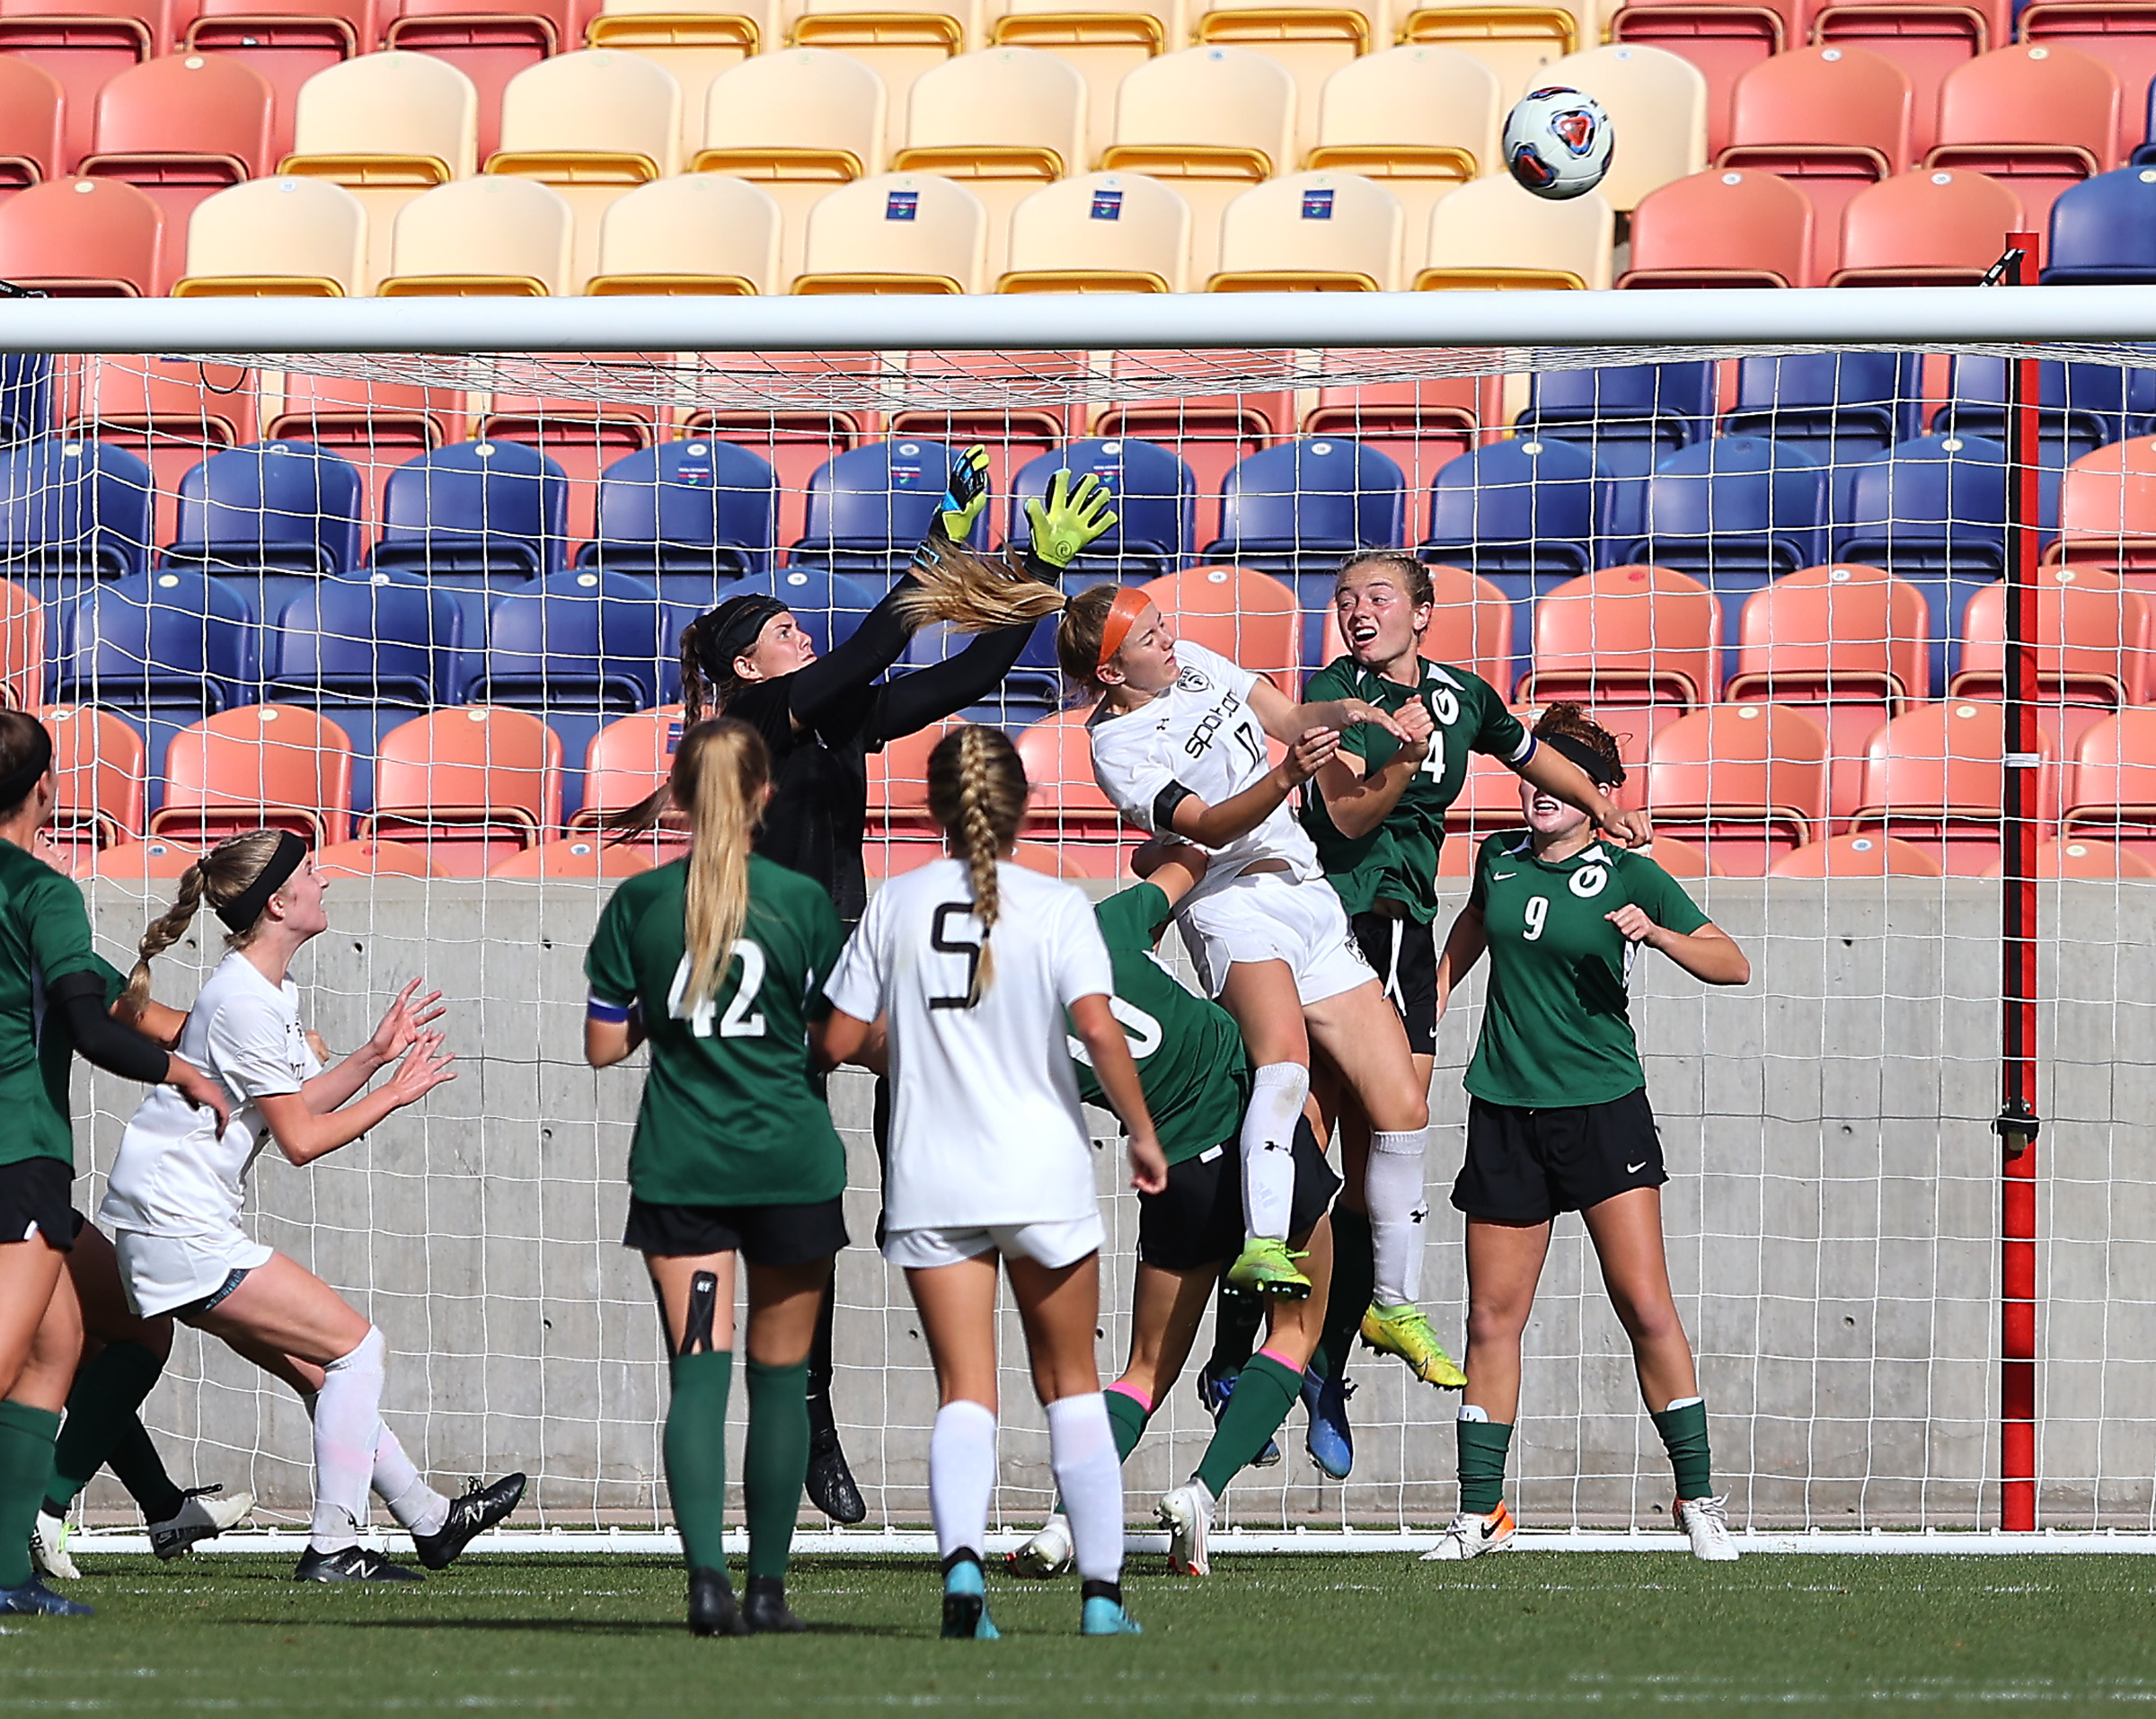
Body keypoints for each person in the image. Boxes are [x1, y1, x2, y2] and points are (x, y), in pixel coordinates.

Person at [612, 450, 1117, 1525]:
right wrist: (956, 554)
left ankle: (927, 1186)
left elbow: (964, 680)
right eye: (785, 632)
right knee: (807, 1206)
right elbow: (879, 643)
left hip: (841, 954)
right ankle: (817, 1422)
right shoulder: (749, 725)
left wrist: (1034, 575)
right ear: (750, 667)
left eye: (800, 630)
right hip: (767, 968)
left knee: (890, 1114)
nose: (803, 637)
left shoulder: (828, 718)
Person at [893, 553, 1471, 1386]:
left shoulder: (1194, 662)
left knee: (1403, 1105)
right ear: (1110, 670)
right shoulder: (1116, 749)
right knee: (1283, 1062)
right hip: (1230, 901)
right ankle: (1264, 1245)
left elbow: (1283, 709)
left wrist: (1349, 712)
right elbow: (1209, 824)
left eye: (1165, 626)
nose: (1172, 640)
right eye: (1152, 637)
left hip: (1302, 887)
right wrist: (1287, 775)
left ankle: (1391, 1301)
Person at [1212, 550, 1654, 1479]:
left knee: (1386, 1157)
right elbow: (1350, 819)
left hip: (1406, 934)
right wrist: (1403, 749)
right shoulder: (1334, 694)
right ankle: (1239, 1349)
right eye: (1342, 599)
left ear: (1423, 614)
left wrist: (1605, 811)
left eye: (1376, 596)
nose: (1356, 611)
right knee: (1307, 1142)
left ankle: (1329, 1366)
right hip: (1326, 926)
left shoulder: (1464, 695)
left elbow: (1531, 753)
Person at [101, 830, 526, 1583]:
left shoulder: (266, 992)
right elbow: (299, 1138)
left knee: (322, 1373)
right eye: (309, 871)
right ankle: (336, 1547)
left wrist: (370, 1057)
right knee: (359, 1349)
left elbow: (294, 1100)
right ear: (278, 901)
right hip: (177, 1225)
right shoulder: (242, 1000)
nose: (323, 879)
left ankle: (430, 1522)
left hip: (169, 1222)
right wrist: (392, 1095)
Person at [822, 725, 1164, 1640]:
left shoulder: (894, 903)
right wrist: (1141, 1131)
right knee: (1072, 1385)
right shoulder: (1058, 905)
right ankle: (1101, 1598)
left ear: (933, 808)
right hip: (1042, 1174)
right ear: (1026, 807)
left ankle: (965, 1583)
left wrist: (919, 1046)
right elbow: (1098, 1030)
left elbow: (837, 1040)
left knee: (965, 1390)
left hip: (933, 1174)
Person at [1426, 705, 1749, 1563]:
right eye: (1535, 774)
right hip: (1504, 1110)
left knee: (1645, 1306)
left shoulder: (1630, 874)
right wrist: (1433, 998)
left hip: (1604, 1111)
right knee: (1491, 1320)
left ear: (1602, 796)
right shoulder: (1496, 859)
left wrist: (1661, 935)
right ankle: (1480, 1514)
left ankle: (1698, 1502)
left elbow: (1731, 961)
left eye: (1562, 778)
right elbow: (1467, 931)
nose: (1539, 789)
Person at [585, 717, 850, 1637]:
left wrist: (668, 1014)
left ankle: (707, 1584)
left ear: (681, 801)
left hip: (683, 1166)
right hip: (789, 1162)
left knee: (698, 1376)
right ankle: (769, 1590)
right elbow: (834, 1035)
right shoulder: (803, 902)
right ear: (764, 795)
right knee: (781, 1383)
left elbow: (602, 1044)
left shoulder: (638, 904)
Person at [1009, 842, 1339, 1581]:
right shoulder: (1105, 929)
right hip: (1259, 1142)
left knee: (1143, 1370)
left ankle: (1065, 1523)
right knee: (1296, 1329)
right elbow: (1188, 864)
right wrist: (1178, 838)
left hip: (1174, 1175)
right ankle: (1201, 1493)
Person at [0, 710, 234, 1618]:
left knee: (70, 1343)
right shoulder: (40, 892)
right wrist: (185, 1073)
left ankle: (18, 1564)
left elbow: (107, 1000)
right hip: (17, 1152)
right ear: (46, 793)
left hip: (27, 1170)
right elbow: (98, 1025)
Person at [32, 1215, 255, 1580]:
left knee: (83, 1347)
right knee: (145, 1330)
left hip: (27, 1191)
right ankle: (46, 1507)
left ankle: (165, 1508)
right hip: (25, 1191)